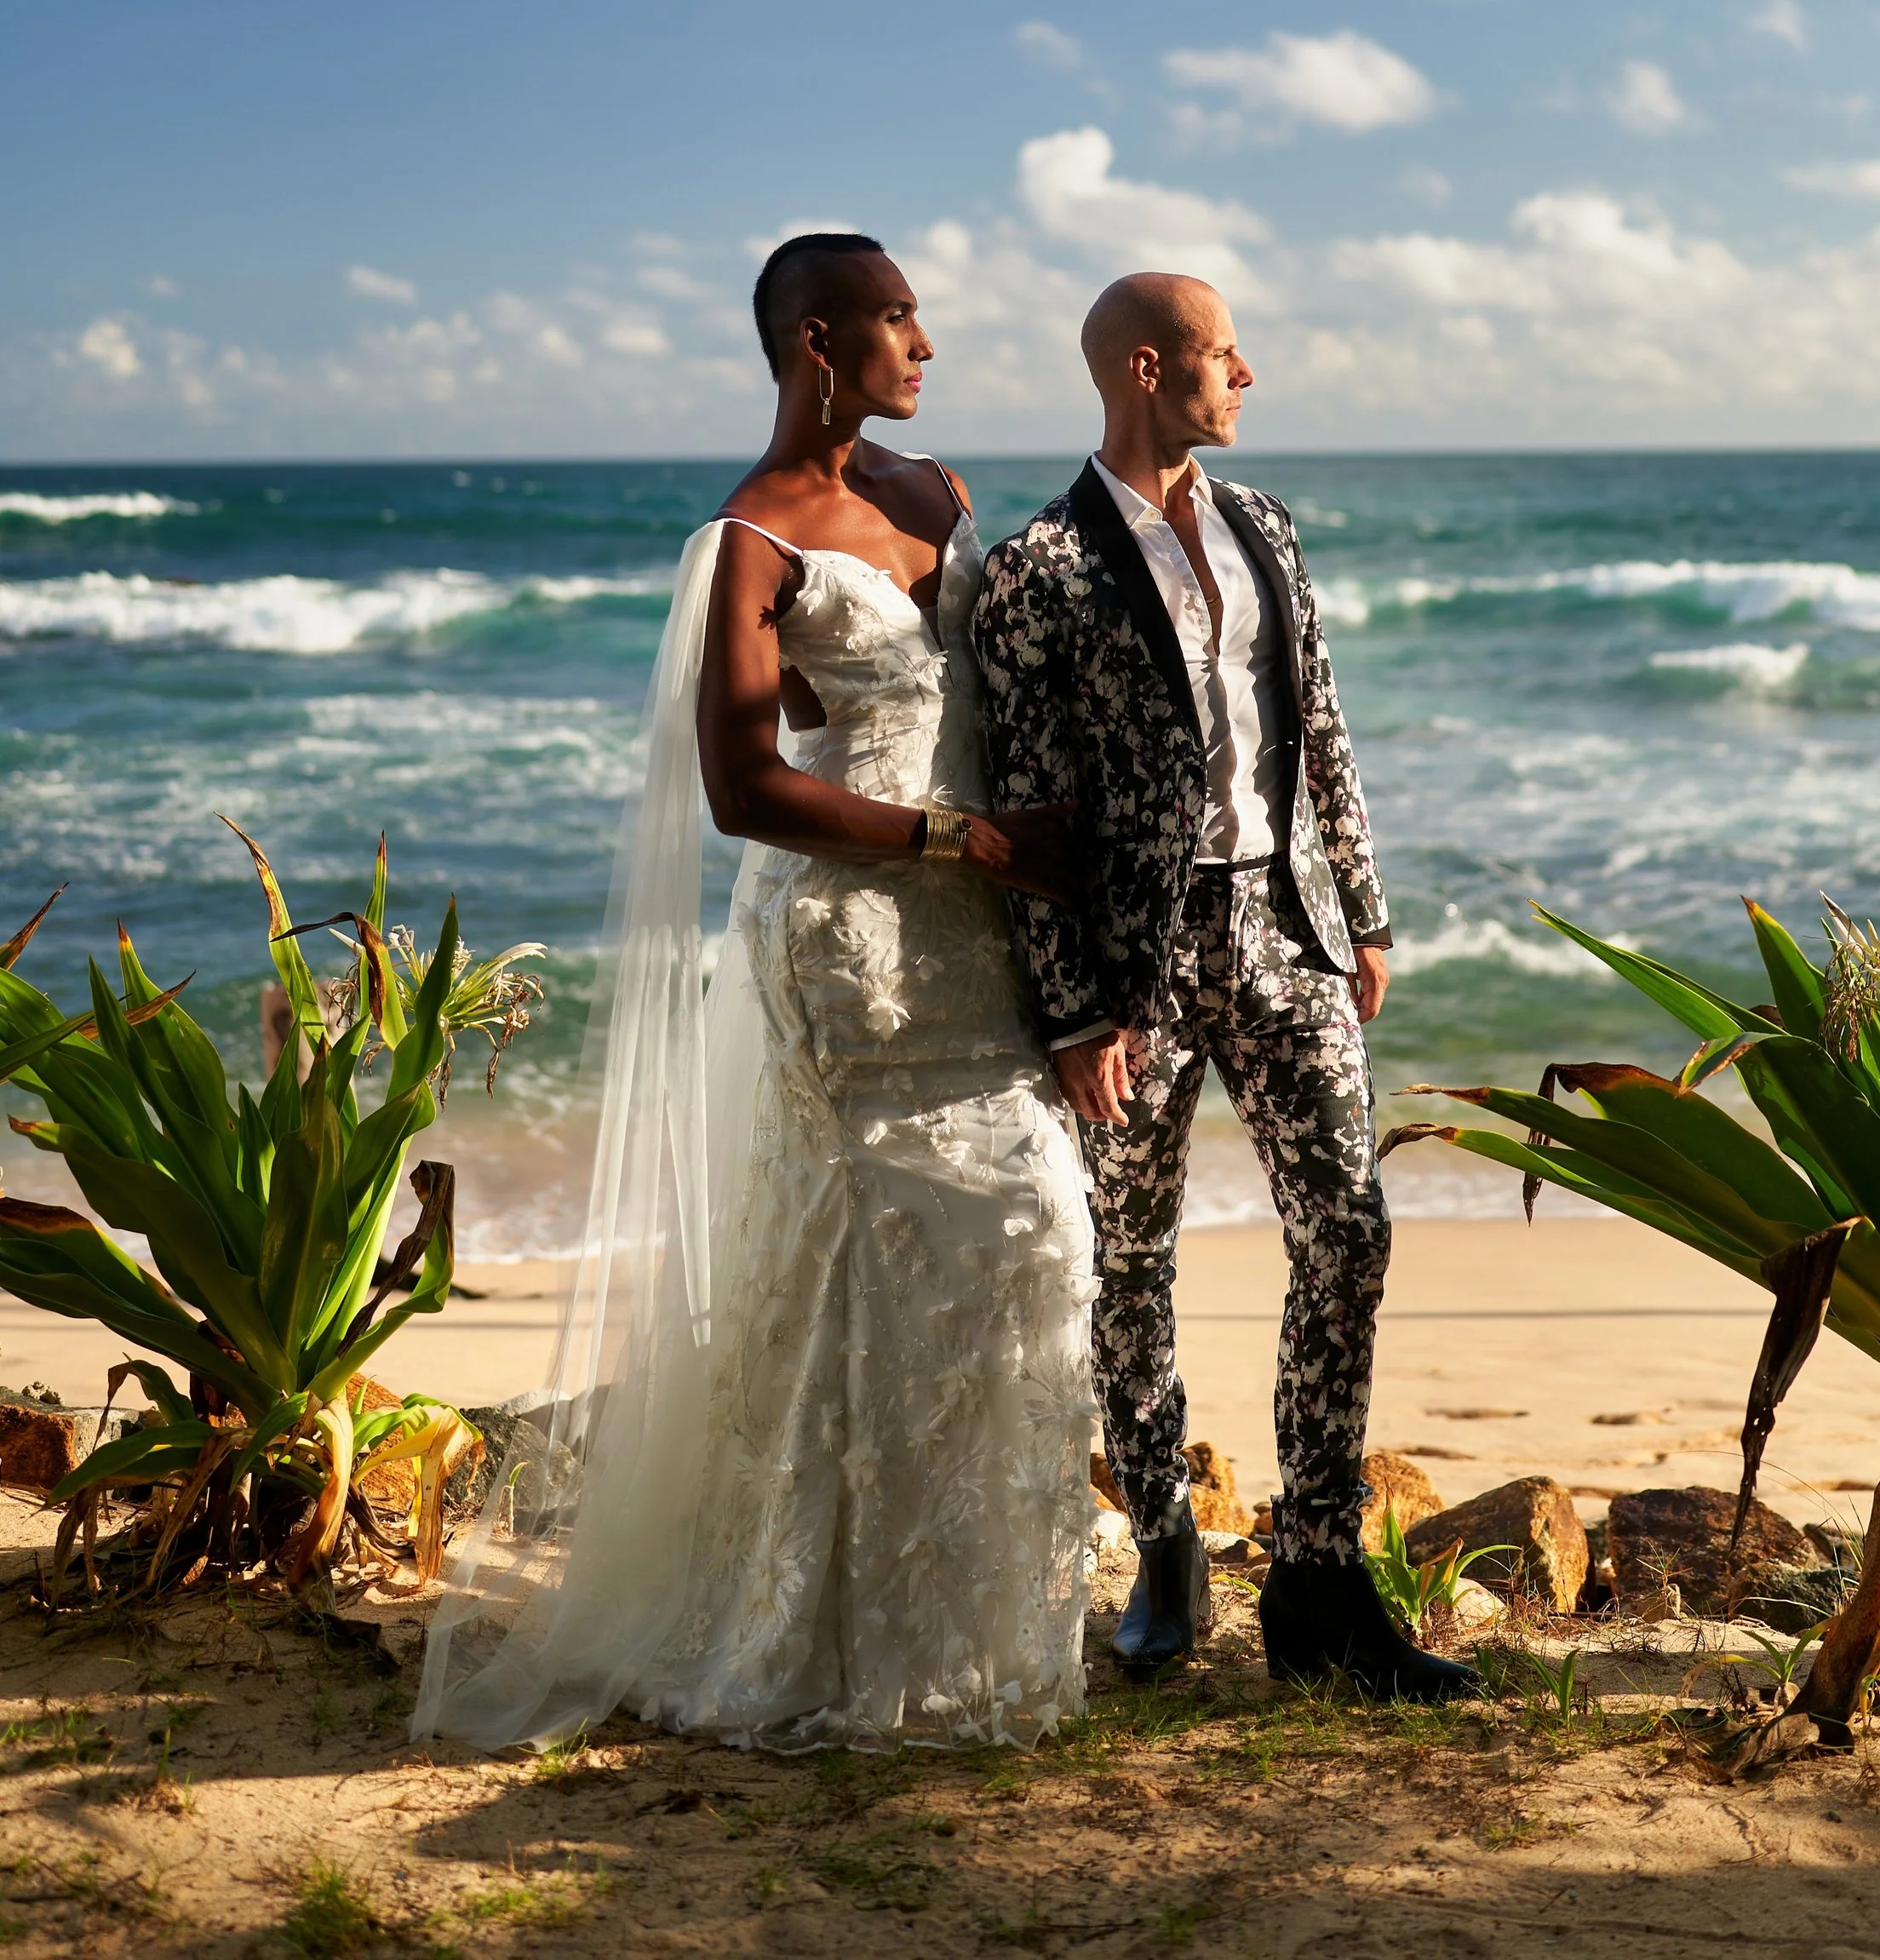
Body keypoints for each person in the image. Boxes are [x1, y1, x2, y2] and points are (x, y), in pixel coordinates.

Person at [417, 233, 1094, 1752]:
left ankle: (971, 1623)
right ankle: (824, 1629)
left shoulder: (939, 491)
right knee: (862, 1251)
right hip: (848, 941)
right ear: (816, 343)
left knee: (1027, 1233)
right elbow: (742, 782)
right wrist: (960, 832)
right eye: (897, 319)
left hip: (977, 934)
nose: (927, 342)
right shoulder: (747, 539)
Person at [972, 272, 1478, 1702]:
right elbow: (1031, 808)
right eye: (1223, 354)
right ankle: (1168, 1543)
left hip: (1283, 924)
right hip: (1135, 963)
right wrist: (1074, 1008)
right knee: (1130, 1260)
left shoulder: (1269, 528)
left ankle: (1318, 1578)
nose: (1247, 374)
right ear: (1149, 367)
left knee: (1351, 1227)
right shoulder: (1036, 570)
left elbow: (1320, 719)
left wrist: (1362, 908)